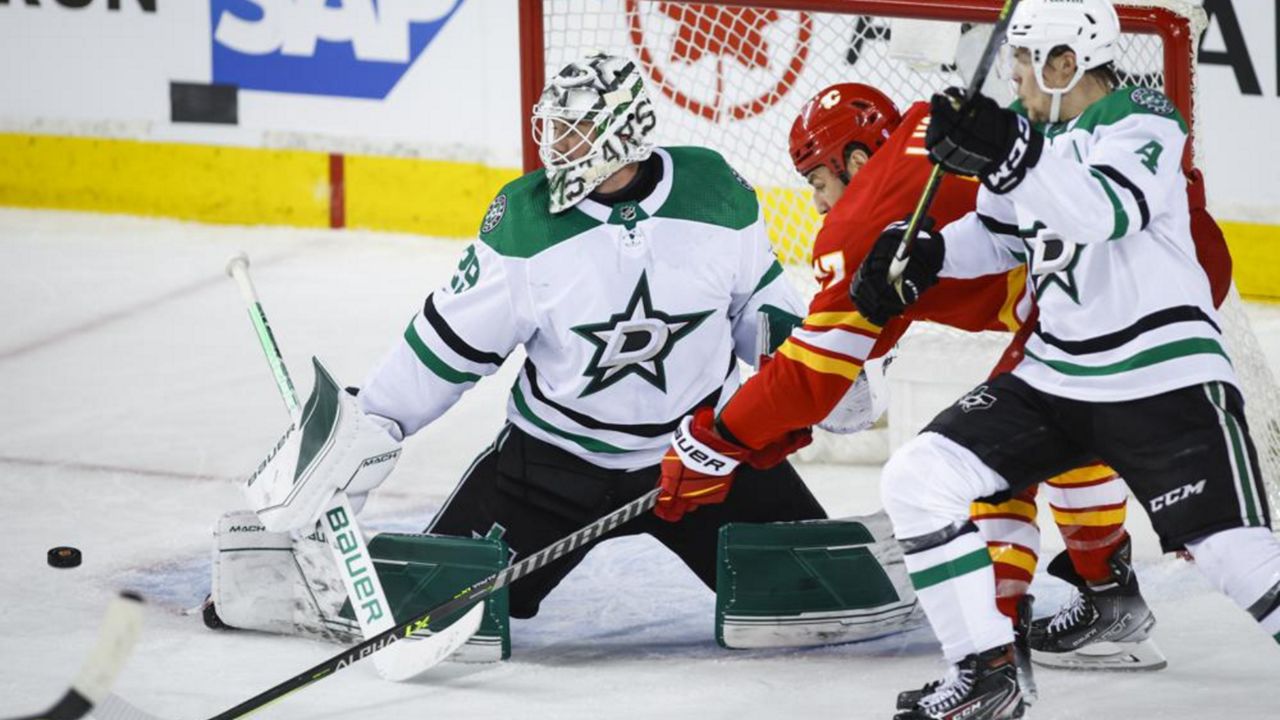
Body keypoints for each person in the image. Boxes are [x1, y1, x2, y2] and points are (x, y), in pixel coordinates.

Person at [221, 52, 825, 642]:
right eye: (554, 127)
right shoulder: (525, 222)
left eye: (576, 128)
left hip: (701, 462)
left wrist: (820, 372)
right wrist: (371, 422)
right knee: (423, 614)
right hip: (550, 471)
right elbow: (445, 347)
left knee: (822, 594)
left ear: (627, 130)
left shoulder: (714, 190)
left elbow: (758, 308)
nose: (557, 143)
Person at [847, 0, 1280, 717]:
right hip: (1054, 374)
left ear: (1066, 64)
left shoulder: (1143, 119)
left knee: (1236, 556)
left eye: (1024, 60)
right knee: (920, 478)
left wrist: (1015, 155)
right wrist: (924, 254)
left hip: (1161, 376)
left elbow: (1100, 213)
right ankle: (986, 674)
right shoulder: (1036, 138)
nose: (1013, 74)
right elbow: (1001, 235)